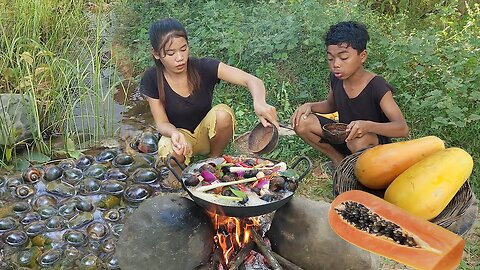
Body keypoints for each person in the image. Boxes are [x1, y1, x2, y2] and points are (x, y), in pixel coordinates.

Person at [139, 18, 278, 188]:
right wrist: (174, 133)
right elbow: (161, 122)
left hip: (206, 134)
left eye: (183, 49)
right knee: (170, 152)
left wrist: (259, 102)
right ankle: (178, 170)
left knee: (223, 114)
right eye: (170, 53)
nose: (180, 58)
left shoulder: (203, 67)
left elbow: (251, 80)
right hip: (180, 139)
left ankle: (213, 160)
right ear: (156, 53)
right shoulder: (152, 78)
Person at [291, 21, 409, 168]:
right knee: (301, 122)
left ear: (363, 56)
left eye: (344, 57)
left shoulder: (377, 86)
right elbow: (330, 105)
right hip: (345, 136)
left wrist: (367, 126)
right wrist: (309, 106)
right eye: (330, 58)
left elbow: (402, 128)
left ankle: (362, 169)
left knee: (357, 140)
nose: (336, 64)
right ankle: (339, 160)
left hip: (371, 144)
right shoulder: (336, 78)